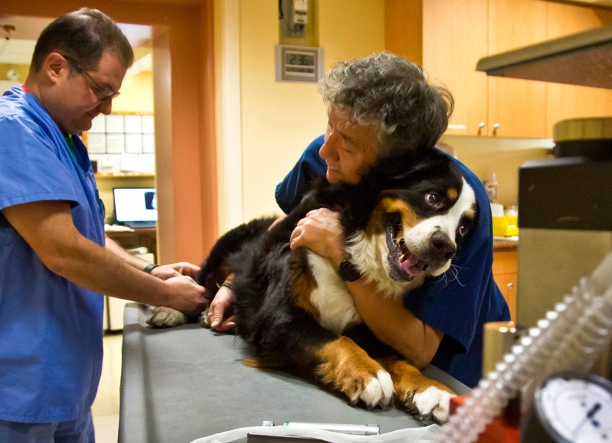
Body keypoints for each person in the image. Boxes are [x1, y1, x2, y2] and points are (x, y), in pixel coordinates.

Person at [0, 8, 207, 442]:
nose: (109, 108)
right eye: (101, 90)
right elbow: (62, 250)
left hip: (52, 381)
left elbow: (87, 239)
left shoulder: (60, 139)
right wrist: (164, 294)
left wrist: (150, 271)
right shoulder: (7, 130)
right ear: (56, 67)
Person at [208, 52, 510, 388]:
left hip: (447, 371)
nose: (326, 151)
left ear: (393, 166)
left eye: (348, 145)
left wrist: (341, 251)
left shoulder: (463, 207)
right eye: (329, 125)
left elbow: (419, 348)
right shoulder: (322, 154)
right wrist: (235, 282)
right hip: (368, 352)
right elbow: (286, 228)